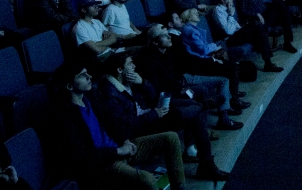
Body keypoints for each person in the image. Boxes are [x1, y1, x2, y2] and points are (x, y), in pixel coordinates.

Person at [50, 63, 208, 190]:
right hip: (105, 163)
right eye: (82, 76)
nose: (89, 77)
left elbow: (113, 124)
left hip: (120, 148)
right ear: (69, 86)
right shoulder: (65, 117)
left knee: (170, 138)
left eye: (87, 73)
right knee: (146, 178)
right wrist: (118, 151)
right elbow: (83, 157)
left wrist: (125, 140)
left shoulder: (90, 98)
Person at [94, 51, 232, 179]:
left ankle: (206, 162)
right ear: (119, 70)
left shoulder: (130, 80)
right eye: (130, 64)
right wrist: (154, 114)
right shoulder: (109, 93)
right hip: (141, 128)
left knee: (190, 110)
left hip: (150, 114)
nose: (134, 66)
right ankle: (203, 107)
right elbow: (125, 124)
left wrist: (142, 82)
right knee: (184, 113)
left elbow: (153, 97)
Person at [217, 0, 283, 71]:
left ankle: (268, 63)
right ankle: (268, 61)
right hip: (230, 39)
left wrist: (242, 28)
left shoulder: (229, 8)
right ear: (222, 0)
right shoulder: (218, 11)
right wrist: (230, 15)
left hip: (238, 33)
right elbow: (228, 31)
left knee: (258, 28)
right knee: (256, 24)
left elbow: (235, 26)